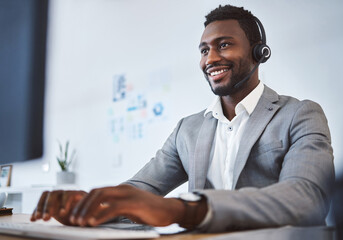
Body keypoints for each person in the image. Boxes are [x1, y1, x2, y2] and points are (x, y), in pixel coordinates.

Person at [31, 5, 334, 232]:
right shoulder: (188, 130)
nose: (210, 59)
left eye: (224, 45)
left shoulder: (299, 114)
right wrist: (89, 204)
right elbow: (140, 192)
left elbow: (307, 198)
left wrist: (185, 209)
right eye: (204, 49)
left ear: (259, 53)